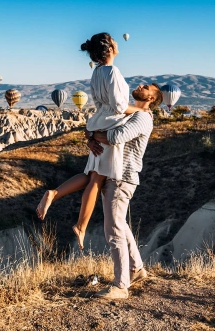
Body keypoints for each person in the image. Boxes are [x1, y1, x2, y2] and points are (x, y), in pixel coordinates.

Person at [36, 84, 162, 300]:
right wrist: (90, 136)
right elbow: (103, 123)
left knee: (113, 229)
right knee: (120, 225)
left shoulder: (143, 118)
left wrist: (93, 135)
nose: (140, 85)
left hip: (121, 178)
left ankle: (121, 285)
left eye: (147, 87)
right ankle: (137, 269)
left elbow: (116, 136)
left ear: (152, 97)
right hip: (111, 172)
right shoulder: (130, 112)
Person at [37, 33, 148, 250]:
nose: (117, 44)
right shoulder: (113, 72)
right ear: (110, 48)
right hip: (112, 125)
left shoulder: (97, 72)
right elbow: (118, 106)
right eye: (115, 42)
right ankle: (81, 225)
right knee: (97, 179)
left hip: (99, 121)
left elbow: (100, 103)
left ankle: (54, 193)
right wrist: (142, 112)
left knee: (90, 175)